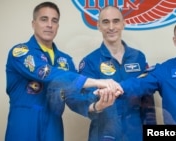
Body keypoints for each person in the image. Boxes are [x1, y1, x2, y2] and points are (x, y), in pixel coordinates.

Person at [5, 2, 122, 141]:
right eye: (44, 19)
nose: (49, 24)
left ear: (57, 26)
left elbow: (74, 98)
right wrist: (97, 82)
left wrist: (97, 105)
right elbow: (47, 73)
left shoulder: (65, 60)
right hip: (24, 124)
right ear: (33, 23)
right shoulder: (20, 52)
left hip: (53, 127)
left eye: (54, 21)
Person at [66, 5, 157, 141]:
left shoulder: (138, 57)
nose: (111, 27)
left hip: (135, 131)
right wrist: (97, 105)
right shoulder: (90, 61)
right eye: (106, 22)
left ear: (123, 24)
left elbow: (147, 97)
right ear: (98, 26)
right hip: (104, 132)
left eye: (116, 21)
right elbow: (80, 96)